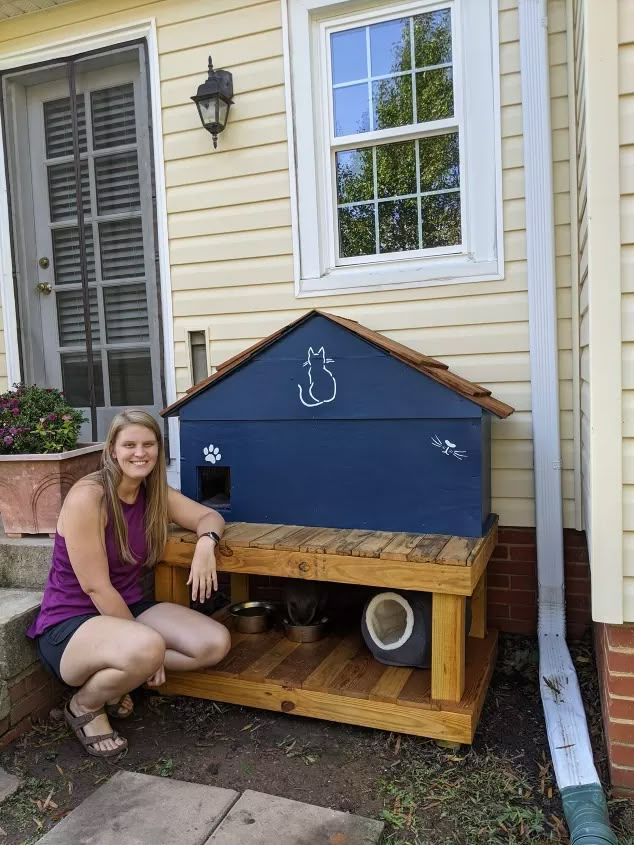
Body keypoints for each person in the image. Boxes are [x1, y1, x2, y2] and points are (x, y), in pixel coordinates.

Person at [26, 408, 231, 758]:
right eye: (130, 444)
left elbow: (208, 515)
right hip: (70, 623)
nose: (140, 452)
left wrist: (206, 544)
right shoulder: (88, 497)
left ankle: (125, 676)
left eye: (149, 444)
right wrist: (147, 653)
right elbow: (96, 588)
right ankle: (85, 705)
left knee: (214, 643)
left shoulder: (153, 493)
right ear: (112, 451)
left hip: (128, 608)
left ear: (158, 449)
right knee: (146, 647)